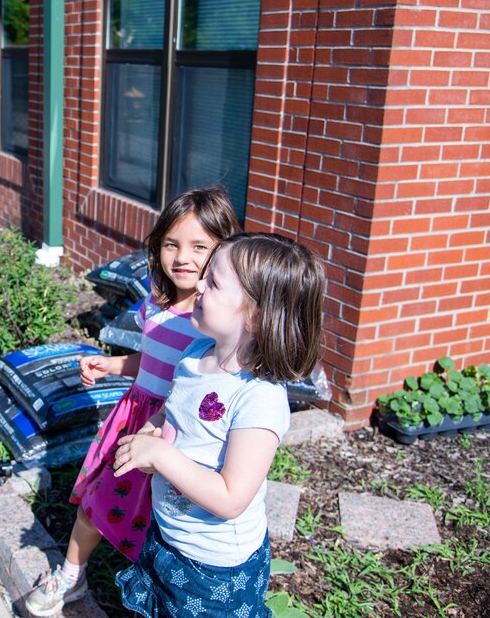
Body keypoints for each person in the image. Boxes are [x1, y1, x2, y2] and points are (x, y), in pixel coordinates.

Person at [24, 187, 241, 616]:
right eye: (171, 245)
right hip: (134, 419)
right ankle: (71, 576)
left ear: (225, 251)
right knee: (101, 499)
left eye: (200, 246)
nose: (183, 258)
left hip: (177, 435)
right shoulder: (156, 306)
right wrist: (112, 366)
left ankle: (152, 592)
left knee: (164, 523)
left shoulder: (212, 322)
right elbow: (153, 362)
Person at [111, 231, 326, 617]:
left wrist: (160, 456)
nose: (197, 284)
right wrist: (153, 430)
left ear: (255, 315)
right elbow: (174, 412)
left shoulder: (258, 399)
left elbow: (230, 498)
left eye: (213, 282)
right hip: (170, 534)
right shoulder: (196, 355)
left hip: (214, 567)